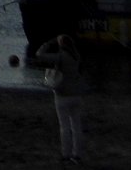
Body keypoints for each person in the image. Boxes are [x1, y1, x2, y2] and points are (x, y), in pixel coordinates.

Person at [35, 34, 85, 165]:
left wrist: (47, 44)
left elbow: (39, 55)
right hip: (77, 94)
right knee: (77, 126)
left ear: (61, 45)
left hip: (62, 95)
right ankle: (77, 154)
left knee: (64, 126)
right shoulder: (76, 56)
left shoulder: (60, 57)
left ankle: (66, 154)